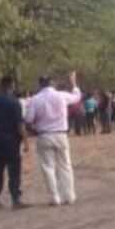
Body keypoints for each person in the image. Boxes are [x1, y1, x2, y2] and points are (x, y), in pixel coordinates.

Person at [25, 71, 83, 206]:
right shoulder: (61, 95)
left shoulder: (35, 99)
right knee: (65, 165)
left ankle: (54, 197)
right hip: (61, 134)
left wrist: (34, 129)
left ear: (40, 84)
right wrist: (73, 82)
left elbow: (29, 119)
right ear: (51, 83)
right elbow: (77, 97)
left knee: (48, 167)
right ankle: (69, 196)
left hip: (44, 135)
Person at [0, 76, 29, 211]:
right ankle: (16, 200)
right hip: (11, 140)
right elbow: (19, 124)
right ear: (11, 86)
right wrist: (25, 141)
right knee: (14, 170)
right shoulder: (14, 102)